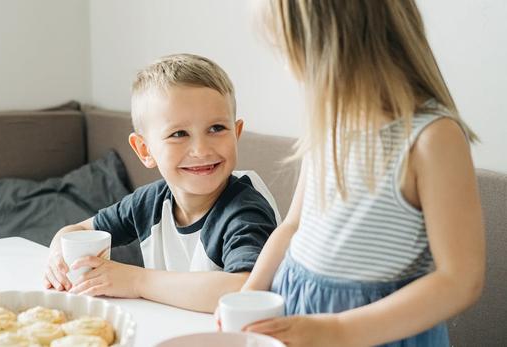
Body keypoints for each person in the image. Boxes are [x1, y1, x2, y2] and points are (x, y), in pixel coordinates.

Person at [235, 1, 485, 346]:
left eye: (288, 49)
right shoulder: (328, 126)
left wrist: (338, 329)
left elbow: (459, 279)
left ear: (332, 48)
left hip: (376, 332)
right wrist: (247, 297)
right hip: (300, 313)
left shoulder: (430, 139)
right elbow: (292, 227)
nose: (287, 67)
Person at [44, 53, 280, 313]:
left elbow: (244, 289)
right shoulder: (149, 202)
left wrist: (135, 281)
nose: (201, 149)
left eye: (216, 129)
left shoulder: (245, 210)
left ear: (236, 134)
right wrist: (57, 256)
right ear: (145, 150)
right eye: (179, 134)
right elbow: (77, 230)